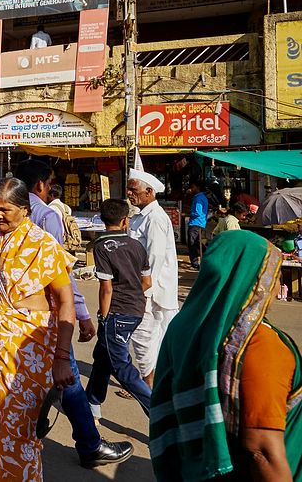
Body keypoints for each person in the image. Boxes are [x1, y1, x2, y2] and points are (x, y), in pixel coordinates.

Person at [150, 230, 301, 481]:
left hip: (192, 464)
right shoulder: (261, 344)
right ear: (254, 279)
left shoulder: (185, 325)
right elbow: (262, 450)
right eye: (273, 275)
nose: (276, 287)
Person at [13, 159, 132, 468]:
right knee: (67, 379)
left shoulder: (1, 214)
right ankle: (90, 445)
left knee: (9, 381)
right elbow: (61, 276)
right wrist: (81, 313)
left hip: (11, 314)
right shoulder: (47, 215)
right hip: (45, 313)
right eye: (50, 181)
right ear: (40, 184)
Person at [0, 178, 77, 481]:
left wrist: (61, 358)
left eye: (5, 209)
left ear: (25, 209)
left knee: (19, 431)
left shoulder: (43, 245)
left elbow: (65, 301)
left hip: (26, 358)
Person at [85, 198, 153, 417]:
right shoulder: (136, 245)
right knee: (103, 355)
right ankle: (92, 401)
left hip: (116, 312)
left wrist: (104, 317)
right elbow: (147, 282)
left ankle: (159, 412)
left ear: (102, 219)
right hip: (136, 308)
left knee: (122, 368)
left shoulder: (102, 246)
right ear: (125, 220)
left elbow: (106, 288)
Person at [127, 168, 179, 388]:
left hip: (155, 289)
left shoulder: (155, 218)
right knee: (152, 337)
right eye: (128, 189)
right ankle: (151, 379)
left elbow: (154, 257)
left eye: (134, 189)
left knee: (153, 336)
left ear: (149, 192)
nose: (130, 193)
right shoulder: (140, 217)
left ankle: (152, 382)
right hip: (146, 287)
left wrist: (144, 289)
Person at [188, 178, 209, 270]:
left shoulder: (198, 198)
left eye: (193, 187)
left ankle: (195, 263)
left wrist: (188, 214)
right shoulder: (202, 197)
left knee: (193, 243)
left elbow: (198, 212)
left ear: (197, 187)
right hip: (200, 223)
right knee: (197, 243)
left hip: (196, 223)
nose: (192, 189)